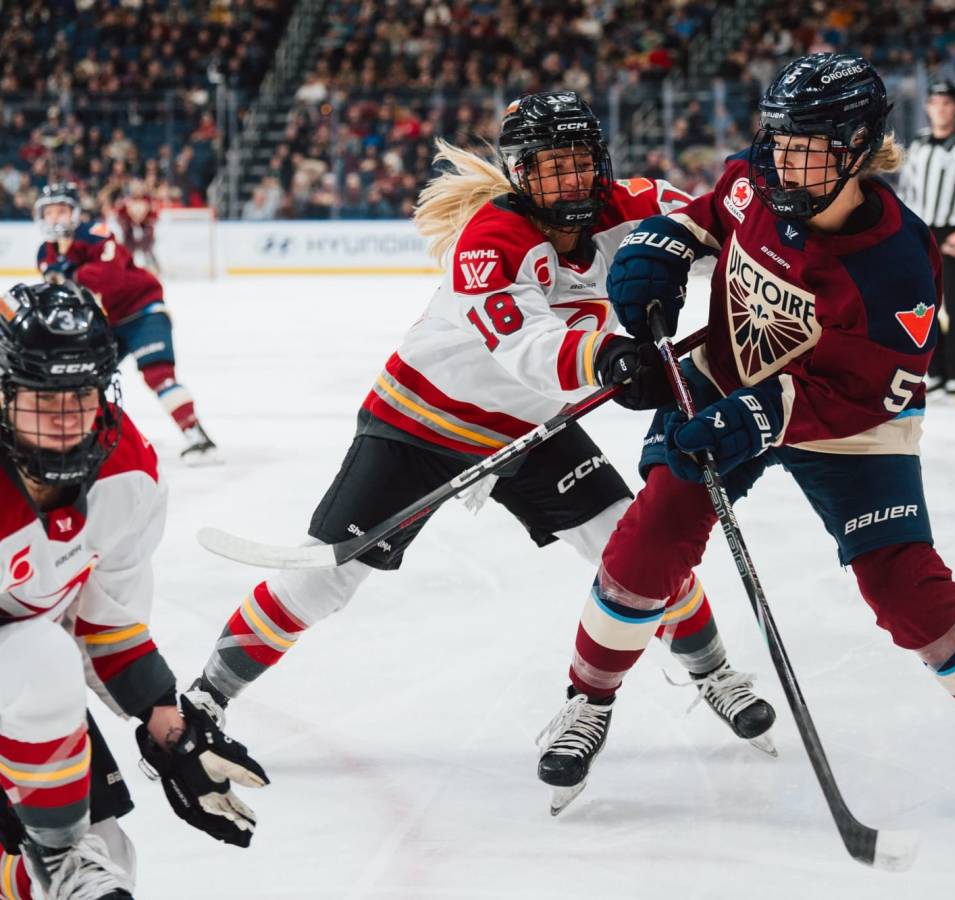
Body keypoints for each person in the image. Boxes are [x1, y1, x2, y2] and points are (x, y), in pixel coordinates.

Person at [537, 54, 955, 817]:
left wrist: (763, 415)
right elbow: (706, 214)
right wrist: (662, 245)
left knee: (904, 586)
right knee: (650, 538)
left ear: (858, 148)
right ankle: (587, 701)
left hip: (846, 422)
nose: (786, 162)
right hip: (727, 378)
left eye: (810, 147)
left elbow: (873, 391)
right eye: (781, 142)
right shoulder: (755, 180)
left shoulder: (899, 264)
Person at [187, 93, 776, 784]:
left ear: (601, 164)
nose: (567, 183)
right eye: (549, 168)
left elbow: (727, 228)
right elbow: (527, 346)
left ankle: (714, 673)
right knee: (328, 575)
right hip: (421, 422)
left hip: (530, 430)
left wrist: (791, 255)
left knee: (633, 543)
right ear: (521, 175)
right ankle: (204, 699)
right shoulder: (490, 241)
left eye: (579, 165)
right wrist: (610, 357)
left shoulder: (638, 205)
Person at [0, 282, 267, 900]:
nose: (66, 417)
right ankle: (54, 859)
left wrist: (168, 726)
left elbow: (104, 620)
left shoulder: (127, 474)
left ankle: (51, 863)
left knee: (110, 863)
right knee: (41, 658)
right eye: (44, 398)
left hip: (27, 673)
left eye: (81, 394)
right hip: (26, 668)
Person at [34, 183, 219, 464]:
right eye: (49, 212)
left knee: (158, 373)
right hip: (104, 324)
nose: (55, 218)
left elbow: (109, 278)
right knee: (85, 380)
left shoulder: (96, 235)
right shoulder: (45, 254)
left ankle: (197, 436)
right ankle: (89, 440)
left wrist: (73, 272)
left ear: (75, 213)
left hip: (142, 312)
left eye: (61, 210)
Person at [899, 79, 955, 395]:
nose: (941, 108)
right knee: (924, 304)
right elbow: (907, 190)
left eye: (947, 102)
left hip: (954, 234)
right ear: (928, 107)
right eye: (936, 102)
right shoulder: (919, 144)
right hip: (923, 233)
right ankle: (934, 369)